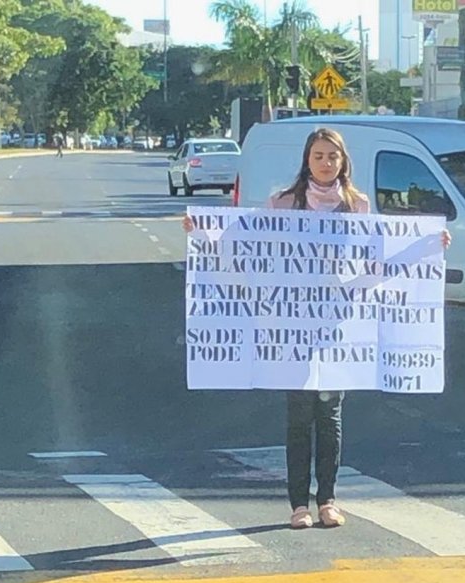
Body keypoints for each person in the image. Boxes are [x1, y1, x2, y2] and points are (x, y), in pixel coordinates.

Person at [184, 127, 451, 530]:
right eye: (319, 156)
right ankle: (298, 505)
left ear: (343, 162)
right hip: (291, 325)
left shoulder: (358, 206)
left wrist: (429, 246)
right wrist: (201, 232)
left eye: (333, 156)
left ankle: (327, 499)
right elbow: (242, 241)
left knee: (330, 414)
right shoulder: (283, 204)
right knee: (299, 415)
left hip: (338, 325)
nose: (326, 163)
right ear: (307, 161)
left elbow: (379, 259)